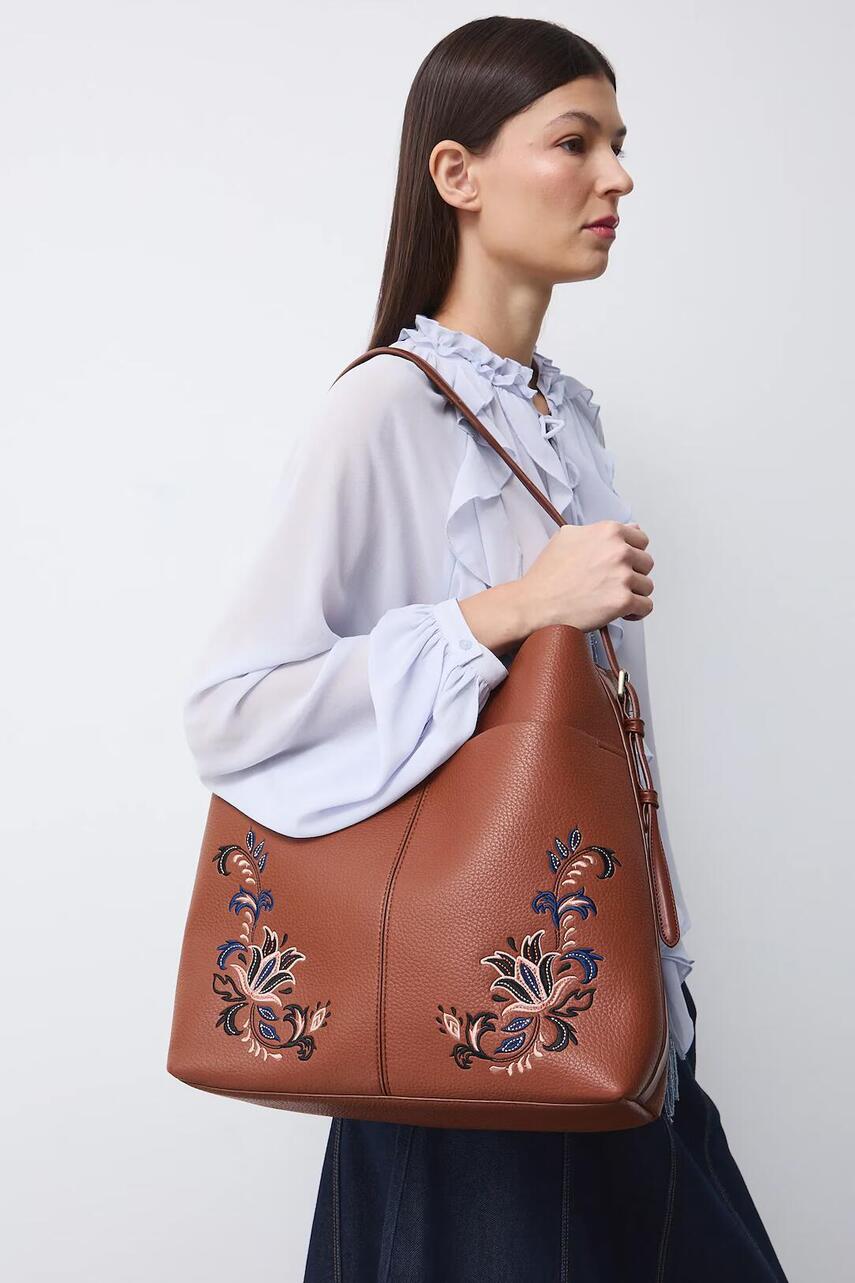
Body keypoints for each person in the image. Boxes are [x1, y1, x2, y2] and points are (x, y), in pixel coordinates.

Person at [182, 16, 790, 1283]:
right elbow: (231, 710)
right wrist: (508, 608)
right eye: (576, 142)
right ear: (456, 173)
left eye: (619, 143)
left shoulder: (566, 422)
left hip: (598, 1005)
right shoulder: (384, 408)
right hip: (468, 1044)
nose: (618, 176)